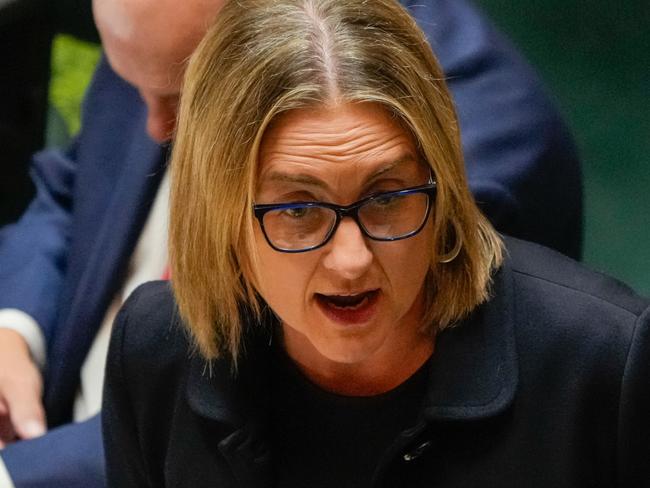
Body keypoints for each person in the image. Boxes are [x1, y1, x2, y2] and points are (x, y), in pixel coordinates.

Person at [0, 0, 583, 485]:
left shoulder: (467, 148)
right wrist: (14, 329)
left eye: (185, 99)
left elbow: (299, 424)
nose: (158, 133)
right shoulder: (165, 35)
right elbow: (75, 182)